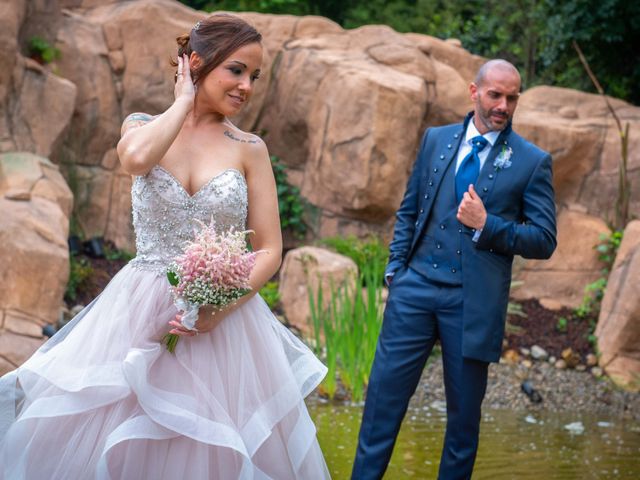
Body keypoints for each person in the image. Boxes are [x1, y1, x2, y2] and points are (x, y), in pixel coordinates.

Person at [0, 14, 330, 479]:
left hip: (225, 325)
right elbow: (135, 160)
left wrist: (221, 306)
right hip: (138, 311)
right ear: (196, 62)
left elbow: (270, 249)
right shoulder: (141, 125)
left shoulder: (249, 147)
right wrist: (183, 102)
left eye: (253, 76)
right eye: (236, 70)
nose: (246, 87)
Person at [351, 59, 557, 479]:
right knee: (380, 408)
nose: (502, 105)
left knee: (463, 425)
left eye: (511, 97)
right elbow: (409, 209)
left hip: (471, 304)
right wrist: (396, 270)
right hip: (413, 291)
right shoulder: (435, 139)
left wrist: (489, 225)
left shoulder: (532, 162)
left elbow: (544, 239)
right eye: (495, 95)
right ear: (474, 91)